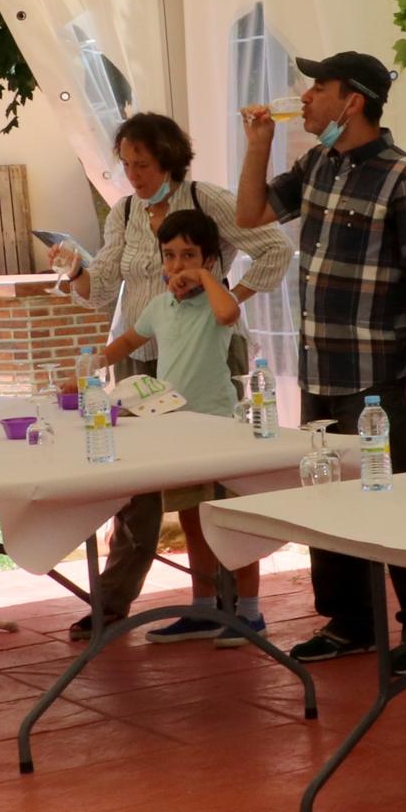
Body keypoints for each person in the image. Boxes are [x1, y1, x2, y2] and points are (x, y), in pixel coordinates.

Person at [234, 51, 406, 671]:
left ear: (352, 101)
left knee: (396, 495)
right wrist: (258, 146)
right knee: (327, 493)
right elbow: (250, 217)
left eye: (318, 87)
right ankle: (350, 621)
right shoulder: (318, 164)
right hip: (320, 370)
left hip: (377, 374)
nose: (305, 97)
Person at [59, 110, 289, 642]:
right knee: (142, 487)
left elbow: (275, 248)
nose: (133, 175)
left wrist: (225, 295)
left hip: (208, 357)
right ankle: (129, 602)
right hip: (147, 358)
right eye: (126, 164)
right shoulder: (124, 212)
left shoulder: (207, 199)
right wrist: (74, 269)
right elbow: (100, 289)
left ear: (169, 160)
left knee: (219, 493)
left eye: (142, 164)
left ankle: (239, 607)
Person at [72, 210, 262, 633]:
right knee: (192, 522)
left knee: (232, 522)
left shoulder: (217, 301)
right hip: (177, 429)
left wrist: (205, 278)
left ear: (209, 259)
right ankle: (202, 607)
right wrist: (89, 368)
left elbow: (228, 315)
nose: (178, 265)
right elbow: (128, 340)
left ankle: (250, 612)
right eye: (170, 255)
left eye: (189, 255)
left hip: (218, 429)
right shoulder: (160, 306)